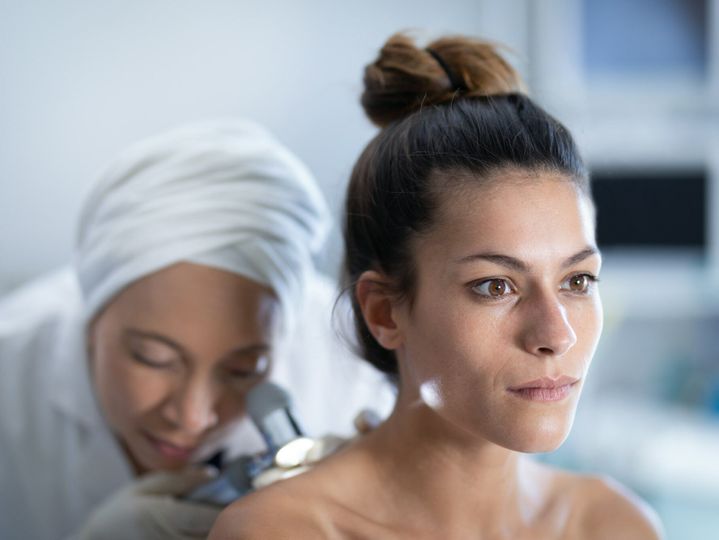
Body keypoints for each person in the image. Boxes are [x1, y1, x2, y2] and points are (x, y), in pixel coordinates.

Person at [208, 34, 665, 539]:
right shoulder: (285, 532)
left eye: (577, 280)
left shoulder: (614, 525)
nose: (557, 335)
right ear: (384, 312)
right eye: (496, 286)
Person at [0, 120, 394, 540]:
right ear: (92, 320)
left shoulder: (347, 364)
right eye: (154, 358)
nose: (193, 417)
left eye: (245, 368)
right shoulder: (11, 374)